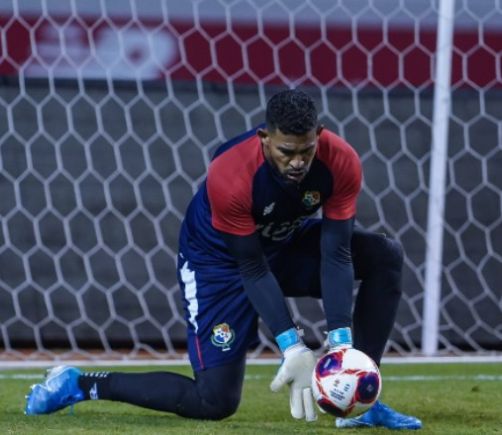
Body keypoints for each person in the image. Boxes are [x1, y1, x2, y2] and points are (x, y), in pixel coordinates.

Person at [25, 89, 422, 430]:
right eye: (286, 152)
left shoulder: (340, 161)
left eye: (307, 150)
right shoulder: (230, 174)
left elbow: (336, 252)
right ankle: (79, 384)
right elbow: (251, 267)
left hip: (284, 243)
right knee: (213, 401)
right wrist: (293, 347)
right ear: (264, 139)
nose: (298, 162)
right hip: (218, 264)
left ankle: (360, 399)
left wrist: (341, 346)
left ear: (319, 135)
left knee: (384, 255)